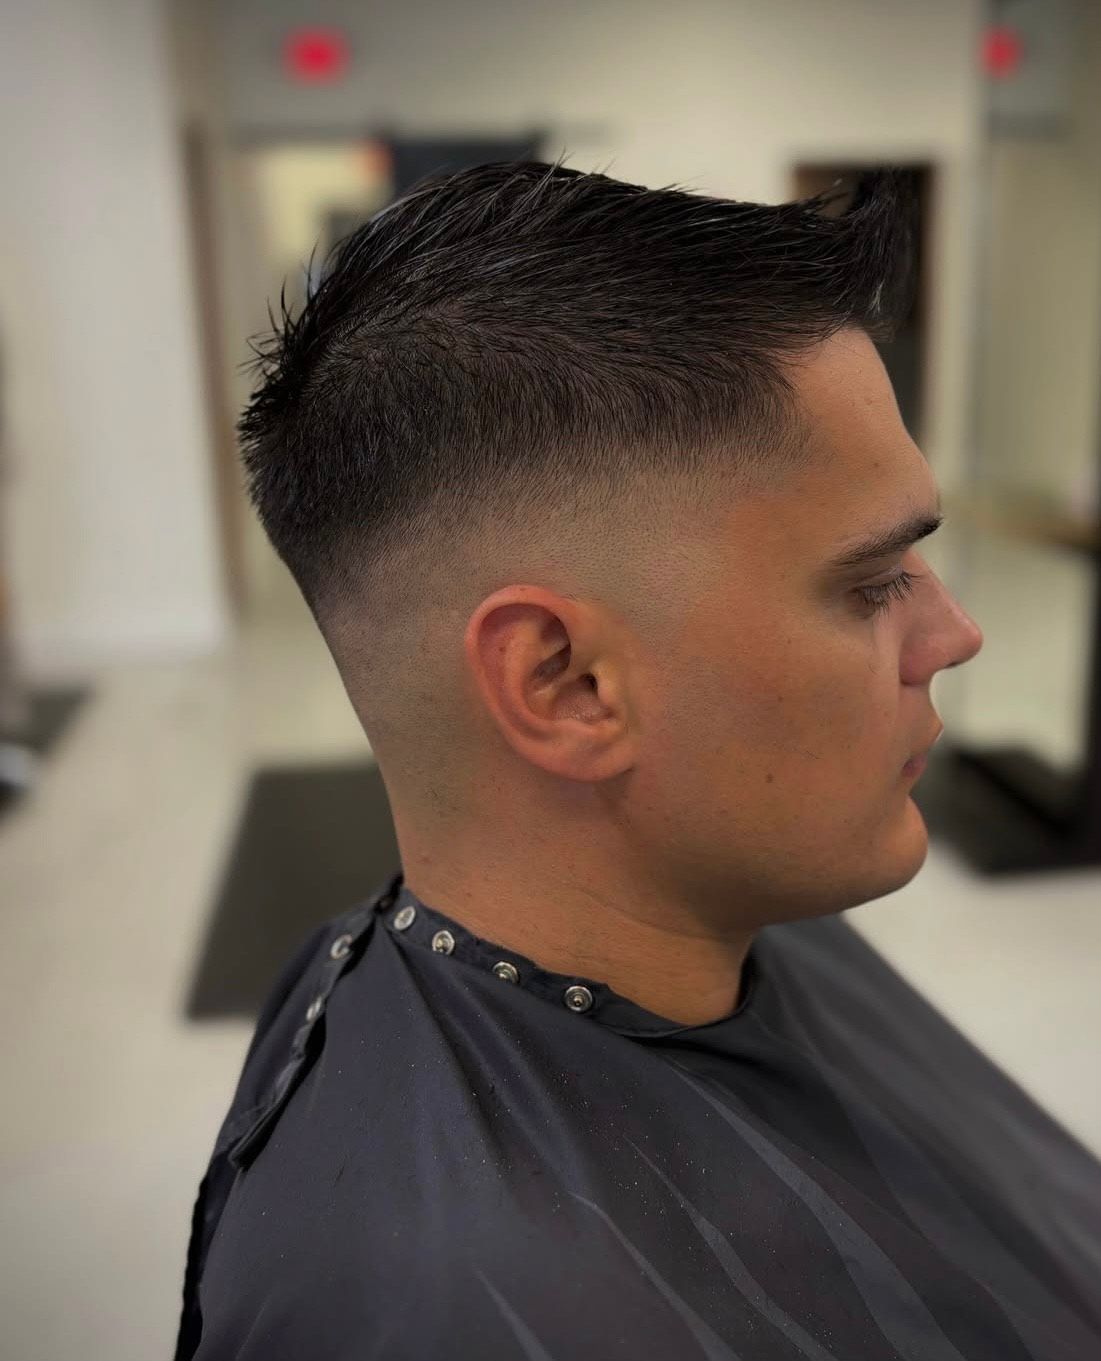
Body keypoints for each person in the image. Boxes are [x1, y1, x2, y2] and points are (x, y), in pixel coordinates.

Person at [174, 161, 1101, 1360]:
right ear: (564, 682)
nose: (955, 634)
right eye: (873, 583)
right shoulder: (445, 1311)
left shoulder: (739, 908)